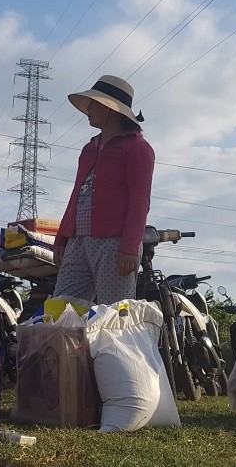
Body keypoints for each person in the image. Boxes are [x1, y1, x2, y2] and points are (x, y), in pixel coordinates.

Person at [53, 76, 155, 305]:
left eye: (94, 103)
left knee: (113, 313)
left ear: (110, 108)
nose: (88, 109)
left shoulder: (138, 148)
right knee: (62, 310)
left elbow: (140, 203)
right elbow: (76, 196)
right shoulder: (89, 148)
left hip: (115, 243)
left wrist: (129, 247)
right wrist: (61, 238)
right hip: (78, 240)